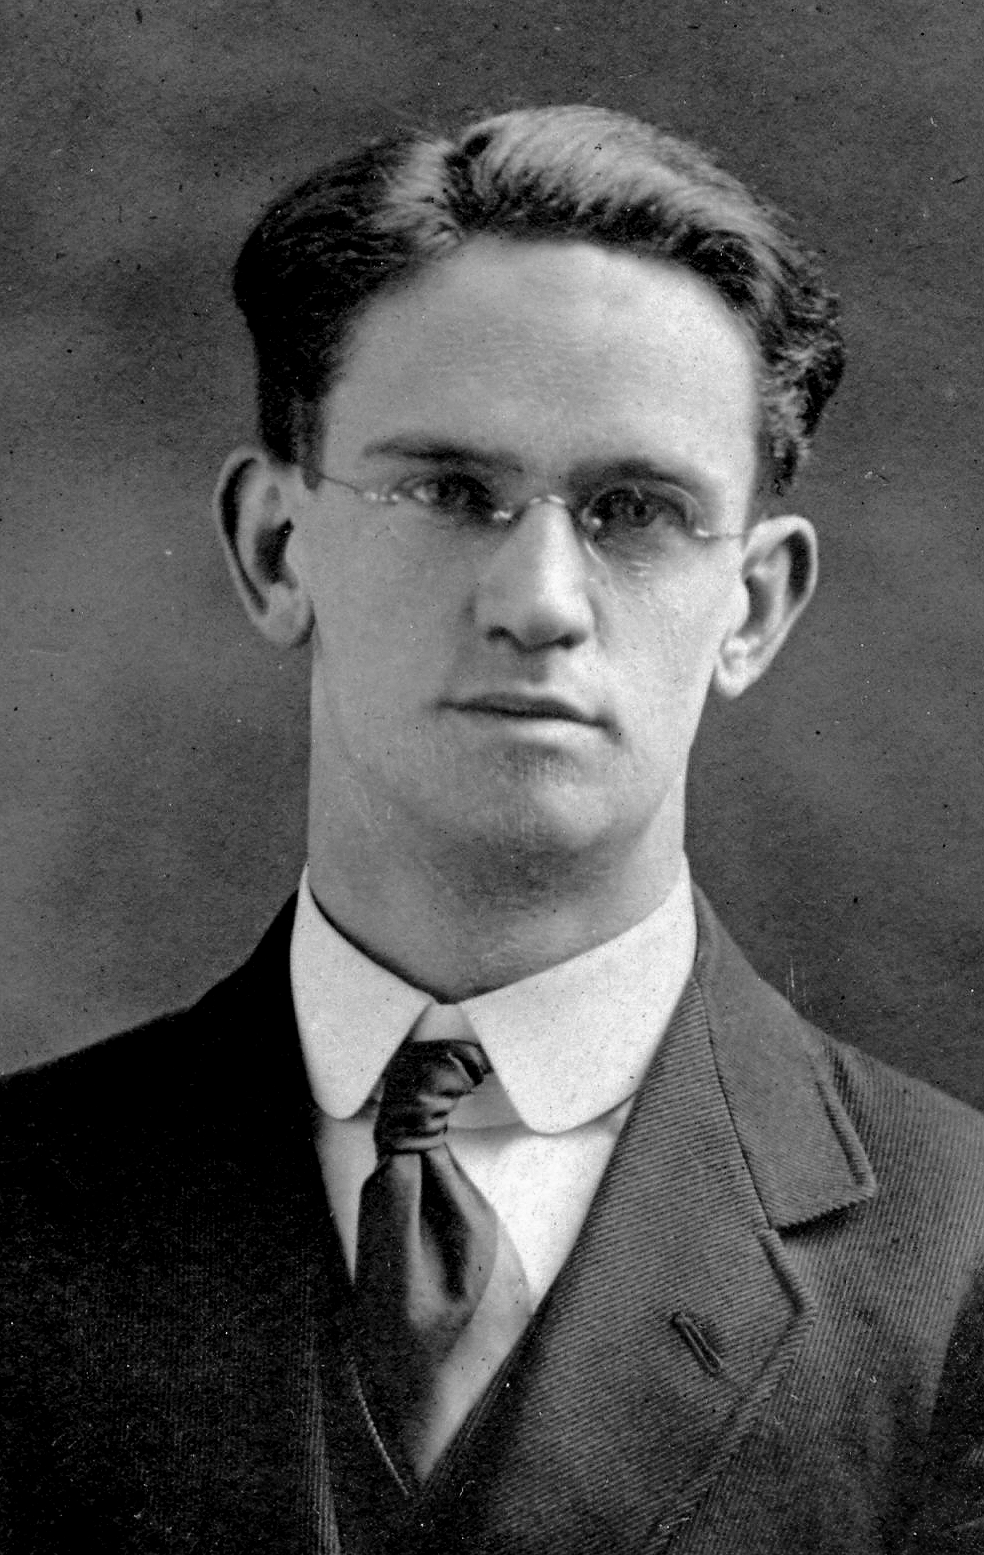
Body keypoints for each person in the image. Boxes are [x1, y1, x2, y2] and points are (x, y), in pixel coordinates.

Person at [3, 104, 984, 1555]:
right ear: (279, 549)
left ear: (756, 606)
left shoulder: (959, 1270)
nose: (538, 598)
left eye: (635, 510)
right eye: (450, 492)